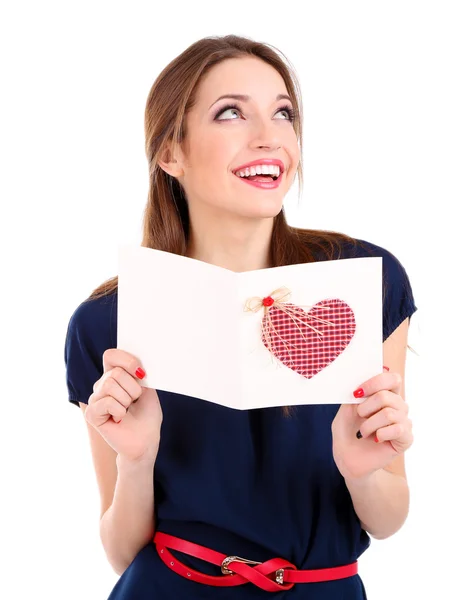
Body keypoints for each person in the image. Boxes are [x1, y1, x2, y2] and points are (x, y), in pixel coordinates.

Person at [64, 34, 417, 599]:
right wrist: (136, 462)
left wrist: (361, 471)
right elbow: (120, 552)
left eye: (283, 114)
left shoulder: (364, 282)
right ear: (170, 153)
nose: (269, 138)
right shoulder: (106, 323)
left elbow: (388, 517)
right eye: (231, 113)